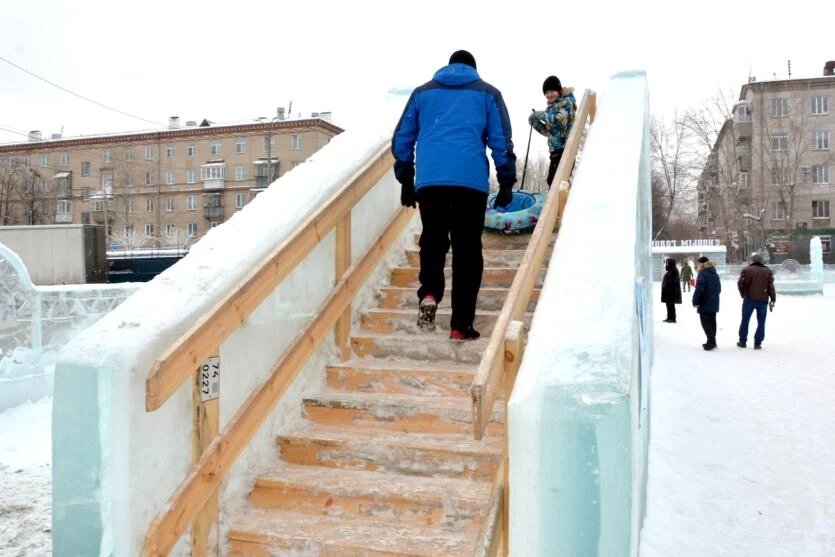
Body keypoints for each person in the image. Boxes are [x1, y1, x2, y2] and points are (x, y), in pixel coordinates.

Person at [392, 50, 517, 341]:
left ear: (448, 66)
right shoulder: (488, 94)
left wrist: (406, 179)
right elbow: (501, 140)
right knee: (467, 251)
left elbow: (402, 138)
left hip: (431, 181)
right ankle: (460, 325)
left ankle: (431, 292)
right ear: (473, 68)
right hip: (469, 183)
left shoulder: (422, 94)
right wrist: (507, 180)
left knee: (433, 240)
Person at [528, 75, 577, 188]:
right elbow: (549, 132)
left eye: (552, 91)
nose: (549, 94)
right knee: (552, 181)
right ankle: (561, 204)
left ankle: (566, 204)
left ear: (559, 90)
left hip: (565, 150)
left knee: (558, 183)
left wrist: (538, 114)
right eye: (546, 92)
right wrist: (535, 123)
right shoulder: (550, 108)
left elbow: (557, 121)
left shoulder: (567, 104)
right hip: (555, 151)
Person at [736, 253, 777, 350]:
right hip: (763, 301)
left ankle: (742, 341)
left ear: (753, 260)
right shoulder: (768, 271)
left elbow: (740, 284)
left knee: (745, 320)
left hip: (749, 299)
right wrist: (773, 299)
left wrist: (743, 294)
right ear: (762, 261)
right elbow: (771, 287)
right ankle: (757, 343)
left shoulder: (746, 270)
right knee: (761, 322)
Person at [692, 255, 721, 350]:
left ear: (702, 264)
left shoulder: (703, 274)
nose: (697, 265)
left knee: (705, 323)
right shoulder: (715, 273)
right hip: (714, 302)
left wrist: (695, 301)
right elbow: (719, 289)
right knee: (712, 322)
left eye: (698, 263)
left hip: (704, 302)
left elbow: (699, 290)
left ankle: (711, 342)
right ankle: (712, 341)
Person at [661, 257, 682, 322]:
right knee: (669, 305)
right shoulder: (671, 271)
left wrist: (668, 289)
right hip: (669, 292)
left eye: (668, 263)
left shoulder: (674, 271)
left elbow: (674, 283)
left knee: (671, 305)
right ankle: (669, 317)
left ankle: (672, 318)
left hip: (671, 293)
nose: (666, 265)